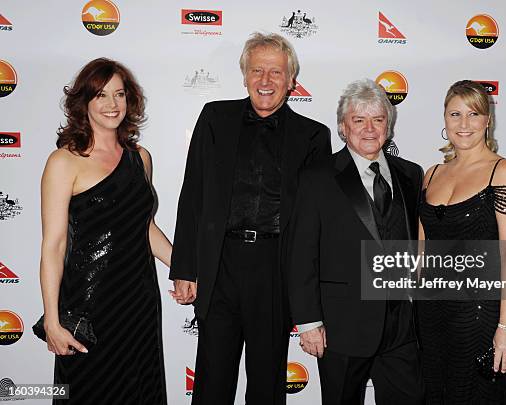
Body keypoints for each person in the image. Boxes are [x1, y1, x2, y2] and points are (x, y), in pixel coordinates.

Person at [170, 32, 331, 405]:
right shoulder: (214, 117)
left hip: (276, 269)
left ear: (291, 81)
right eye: (257, 70)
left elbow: (313, 223)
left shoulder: (313, 137)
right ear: (244, 76)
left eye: (275, 73)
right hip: (220, 265)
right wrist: (184, 267)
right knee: (211, 380)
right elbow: (192, 193)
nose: (265, 81)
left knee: (267, 383)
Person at [39, 58, 172, 404]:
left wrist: (188, 269)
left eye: (119, 95)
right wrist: (53, 321)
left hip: (138, 302)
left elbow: (144, 227)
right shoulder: (64, 161)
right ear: (84, 101)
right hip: (89, 306)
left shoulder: (140, 157)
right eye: (101, 95)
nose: (112, 105)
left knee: (139, 390)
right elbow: (53, 245)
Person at [288, 79, 425, 404]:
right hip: (342, 325)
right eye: (358, 120)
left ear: (388, 127)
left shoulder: (411, 174)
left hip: (401, 325)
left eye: (377, 119)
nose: (369, 129)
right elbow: (300, 253)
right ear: (342, 127)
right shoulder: (317, 176)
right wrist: (308, 322)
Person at [417, 80, 506, 404]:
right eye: (455, 114)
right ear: (444, 120)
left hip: (477, 313)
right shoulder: (432, 174)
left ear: (487, 120)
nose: (463, 124)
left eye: (473, 114)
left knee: (476, 395)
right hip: (431, 314)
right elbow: (424, 253)